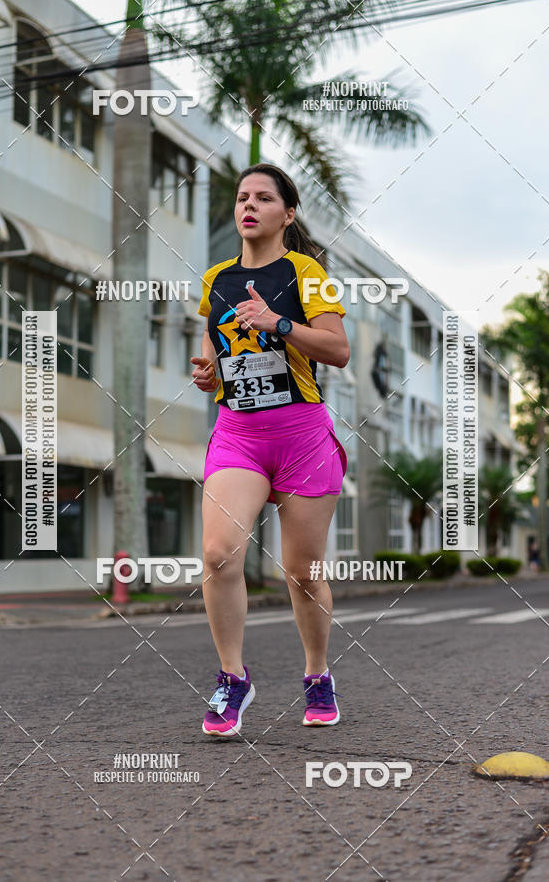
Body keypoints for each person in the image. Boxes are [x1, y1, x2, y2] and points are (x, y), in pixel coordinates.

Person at [191, 162, 350, 738]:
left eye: (263, 197)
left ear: (287, 212)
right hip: (239, 432)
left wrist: (278, 323)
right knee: (217, 554)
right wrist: (208, 375)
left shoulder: (307, 272)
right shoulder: (215, 279)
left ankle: (317, 676)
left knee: (303, 572)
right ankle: (233, 679)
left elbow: (338, 350)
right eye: (241, 197)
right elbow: (213, 351)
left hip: (301, 436)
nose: (248, 206)